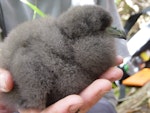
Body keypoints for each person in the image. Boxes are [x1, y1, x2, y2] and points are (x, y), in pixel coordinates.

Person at [0, 0, 129, 113]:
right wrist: (32, 98)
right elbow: (24, 60)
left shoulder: (85, 44)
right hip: (20, 97)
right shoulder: (53, 43)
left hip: (96, 96)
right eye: (104, 29)